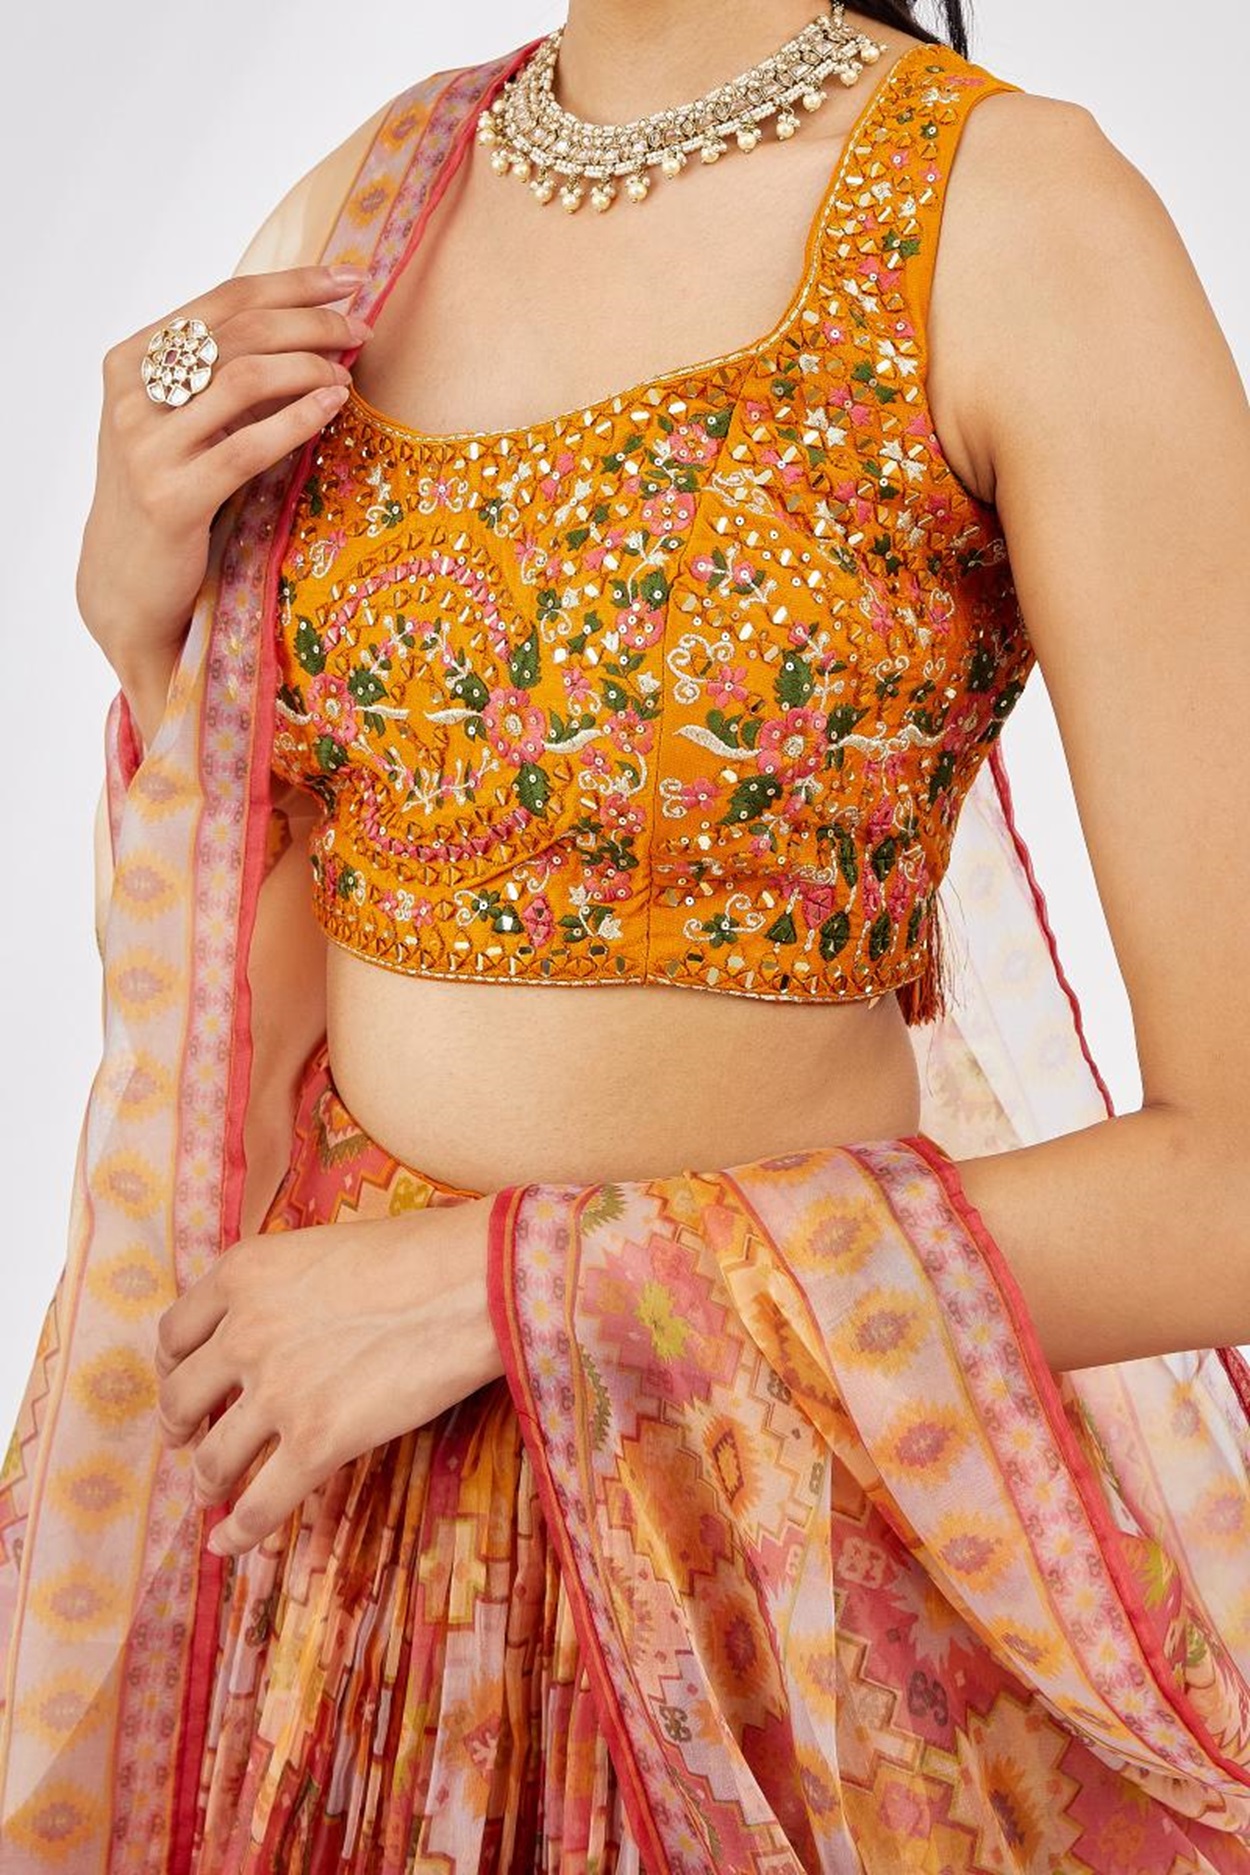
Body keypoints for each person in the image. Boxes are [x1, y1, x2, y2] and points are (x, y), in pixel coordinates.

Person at [2, 2, 1248, 1868]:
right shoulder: (370, 203)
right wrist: (142, 623)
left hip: (768, 1550)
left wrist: (498, 1286)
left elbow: (1230, 1188)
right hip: (328, 1527)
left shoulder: (1013, 218)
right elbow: (244, 990)